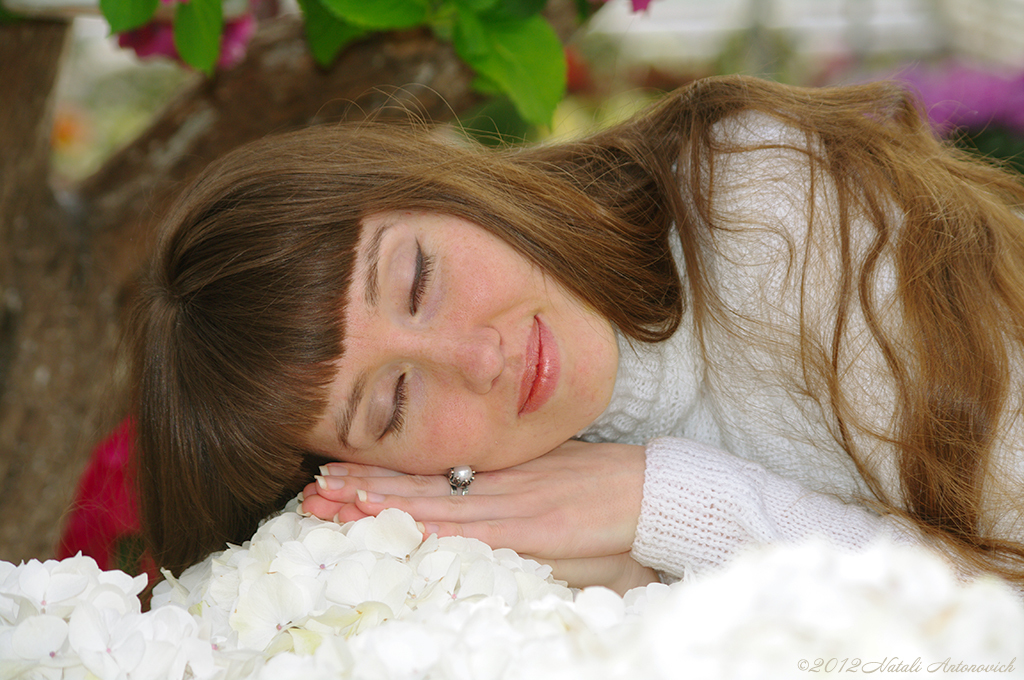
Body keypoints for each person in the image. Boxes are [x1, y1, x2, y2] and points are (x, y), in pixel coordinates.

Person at [131, 75, 1024, 594]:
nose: (481, 359)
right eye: (395, 400)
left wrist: (668, 501)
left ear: (440, 184)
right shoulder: (533, 502)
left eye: (418, 277)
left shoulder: (759, 210)